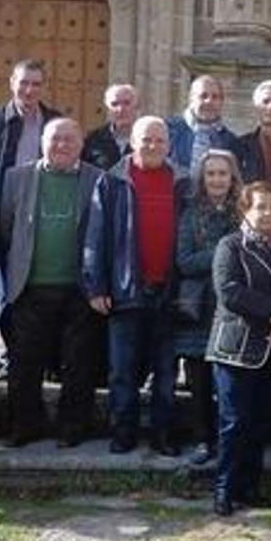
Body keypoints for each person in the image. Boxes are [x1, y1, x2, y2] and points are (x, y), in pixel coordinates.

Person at [0, 118, 104, 447]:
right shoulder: (17, 178)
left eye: (69, 140)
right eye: (54, 139)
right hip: (30, 286)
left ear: (81, 144)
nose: (61, 145)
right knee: (24, 363)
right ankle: (26, 424)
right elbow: (6, 226)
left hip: (79, 289)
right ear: (42, 142)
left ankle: (72, 427)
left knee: (78, 363)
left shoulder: (97, 179)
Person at [83, 116, 181, 454]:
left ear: (168, 145)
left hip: (169, 292)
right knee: (122, 371)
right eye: (146, 140)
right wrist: (96, 286)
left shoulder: (182, 181)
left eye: (159, 140)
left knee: (166, 373)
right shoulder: (112, 181)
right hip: (126, 291)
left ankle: (162, 434)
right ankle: (123, 432)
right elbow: (95, 238)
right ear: (133, 143)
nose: (152, 146)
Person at [207, 182, 271, 516]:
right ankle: (224, 490)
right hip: (236, 349)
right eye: (261, 207)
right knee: (235, 422)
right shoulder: (230, 246)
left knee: (260, 423)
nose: (269, 213)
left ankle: (250, 488)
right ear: (245, 211)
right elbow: (229, 291)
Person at [175, 149, 243, 466]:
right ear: (202, 178)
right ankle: (203, 439)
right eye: (211, 174)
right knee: (199, 382)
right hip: (198, 310)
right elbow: (185, 261)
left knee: (229, 384)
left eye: (223, 174)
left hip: (232, 310)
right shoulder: (190, 213)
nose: (217, 179)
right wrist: (224, 252)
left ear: (232, 178)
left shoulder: (243, 212)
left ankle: (229, 440)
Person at [0, 58, 61, 178]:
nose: (29, 90)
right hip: (3, 193)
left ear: (44, 87)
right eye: (23, 83)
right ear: (12, 83)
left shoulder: (54, 121)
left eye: (36, 84)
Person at [169, 74, 240, 177]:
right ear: (191, 98)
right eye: (203, 96)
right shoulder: (168, 130)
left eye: (215, 97)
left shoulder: (231, 141)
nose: (209, 101)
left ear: (221, 102)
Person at [82, 83, 139, 171]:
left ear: (136, 107)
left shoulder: (149, 138)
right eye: (114, 104)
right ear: (107, 109)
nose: (120, 109)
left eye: (126, 103)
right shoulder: (93, 140)